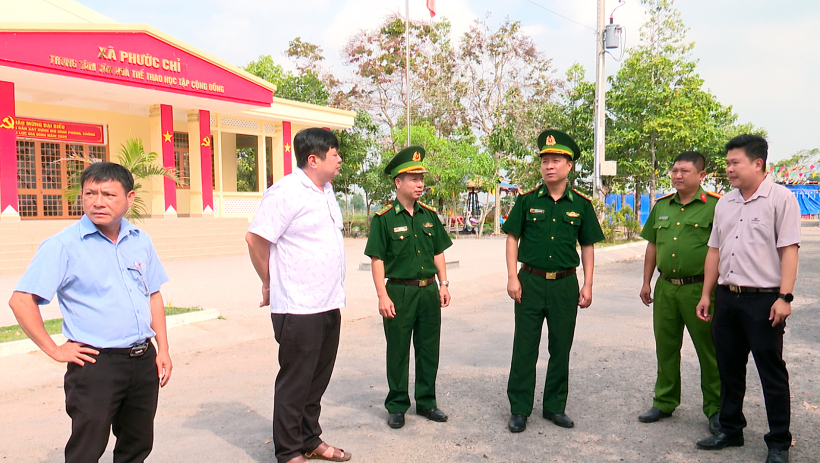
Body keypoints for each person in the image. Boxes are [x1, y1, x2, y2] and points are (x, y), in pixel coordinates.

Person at [8, 161, 172, 463]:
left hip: (142, 361)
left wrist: (162, 348)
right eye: (90, 193)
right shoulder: (63, 246)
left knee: (137, 447)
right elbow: (21, 301)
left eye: (109, 194)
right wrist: (55, 350)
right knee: (87, 449)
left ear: (129, 198)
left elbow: (153, 294)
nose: (98, 202)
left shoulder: (140, 241)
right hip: (96, 365)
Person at [246, 128, 351, 463]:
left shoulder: (326, 190)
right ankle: (289, 451)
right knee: (295, 383)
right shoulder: (286, 192)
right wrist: (269, 281)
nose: (339, 159)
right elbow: (255, 239)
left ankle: (310, 439)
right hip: (299, 306)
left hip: (328, 302)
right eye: (334, 153)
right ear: (313, 158)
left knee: (316, 380)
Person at [694, 134, 800, 463]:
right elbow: (715, 250)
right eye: (727, 163)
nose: (728, 169)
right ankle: (730, 428)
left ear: (758, 164)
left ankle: (779, 442)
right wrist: (707, 294)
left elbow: (789, 251)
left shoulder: (781, 199)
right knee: (728, 367)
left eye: (734, 162)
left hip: (764, 300)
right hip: (728, 297)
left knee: (771, 371)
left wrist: (785, 297)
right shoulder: (725, 202)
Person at [502, 130, 604, 433]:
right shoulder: (526, 201)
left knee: (561, 347)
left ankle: (555, 407)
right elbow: (512, 238)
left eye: (556, 160)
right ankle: (519, 409)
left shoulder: (581, 205)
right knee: (524, 347)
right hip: (529, 281)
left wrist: (588, 284)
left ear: (569, 165)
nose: (549, 166)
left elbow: (587, 246)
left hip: (564, 284)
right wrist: (511, 276)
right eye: (545, 160)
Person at [364, 146, 453, 429]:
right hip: (399, 292)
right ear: (397, 182)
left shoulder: (429, 215)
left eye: (421, 178)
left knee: (429, 349)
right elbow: (377, 259)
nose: (419, 184)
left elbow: (438, 251)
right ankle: (397, 405)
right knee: (398, 350)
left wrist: (444, 283)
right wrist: (382, 295)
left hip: (428, 291)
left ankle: (427, 402)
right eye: (413, 178)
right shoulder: (384, 218)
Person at [637, 151, 722, 433]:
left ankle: (716, 409)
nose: (678, 175)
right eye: (674, 170)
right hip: (665, 289)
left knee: (708, 351)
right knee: (666, 348)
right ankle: (664, 401)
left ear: (701, 175)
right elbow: (652, 245)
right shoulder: (662, 205)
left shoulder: (715, 207)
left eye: (685, 171)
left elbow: (720, 250)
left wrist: (709, 292)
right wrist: (646, 281)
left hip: (699, 289)